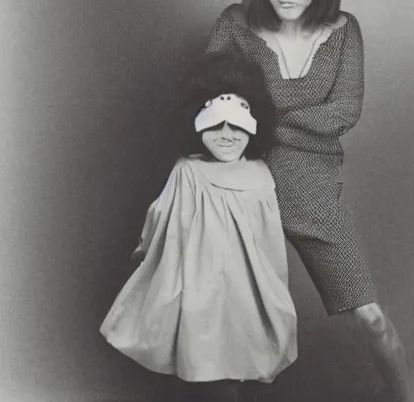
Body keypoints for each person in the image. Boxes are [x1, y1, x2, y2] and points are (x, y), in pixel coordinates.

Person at [205, 0, 413, 402]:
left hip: (316, 194)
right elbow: (207, 106)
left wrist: (262, 114)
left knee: (372, 319)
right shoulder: (234, 25)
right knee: (232, 319)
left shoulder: (344, 31)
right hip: (244, 190)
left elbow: (343, 113)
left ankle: (406, 397)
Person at [99, 52, 298, 402]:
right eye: (215, 124)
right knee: (209, 369)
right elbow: (163, 221)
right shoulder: (187, 171)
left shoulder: (262, 176)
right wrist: (144, 252)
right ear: (195, 124)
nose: (226, 135)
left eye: (237, 125)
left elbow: (271, 245)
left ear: (255, 125)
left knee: (246, 369)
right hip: (200, 294)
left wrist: (275, 294)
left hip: (251, 297)